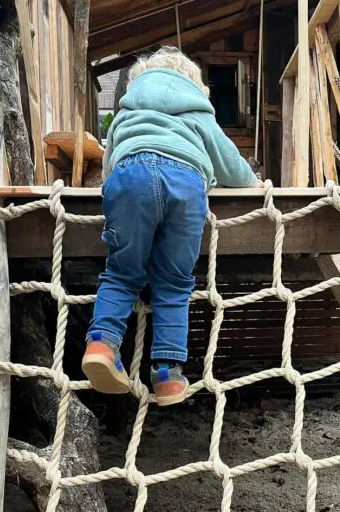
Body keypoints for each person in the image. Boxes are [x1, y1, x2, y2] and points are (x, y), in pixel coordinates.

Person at [81, 47, 260, 405]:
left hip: (130, 177)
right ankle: (168, 376)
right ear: (193, 84)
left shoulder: (128, 111)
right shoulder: (196, 111)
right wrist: (254, 183)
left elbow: (110, 162)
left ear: (139, 81)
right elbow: (231, 166)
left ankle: (101, 344)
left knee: (121, 273)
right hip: (185, 183)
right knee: (175, 282)